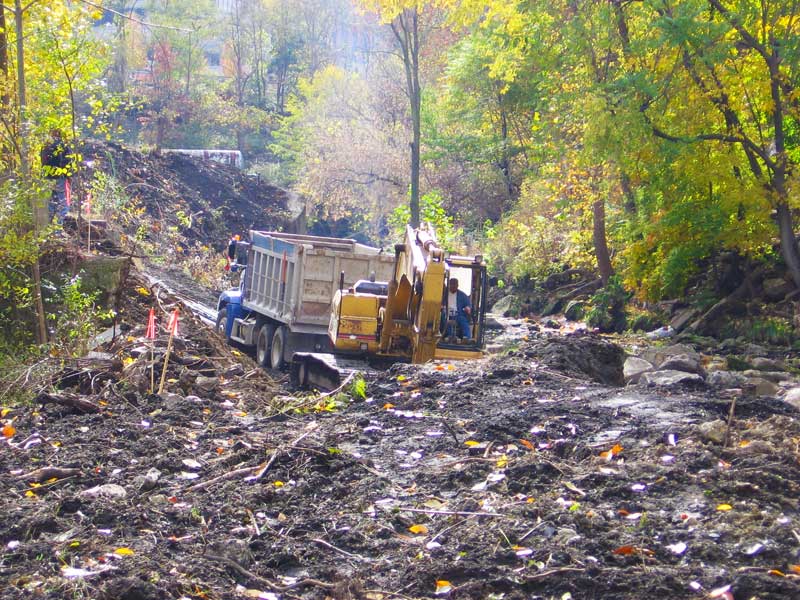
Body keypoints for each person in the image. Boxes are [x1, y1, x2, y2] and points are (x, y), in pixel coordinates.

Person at [41, 129, 74, 223]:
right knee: (63, 202)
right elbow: (69, 161)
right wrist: (69, 176)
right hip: (61, 178)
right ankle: (61, 226)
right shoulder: (64, 145)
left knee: (50, 202)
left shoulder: (46, 145)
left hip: (48, 178)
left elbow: (42, 161)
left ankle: (49, 226)